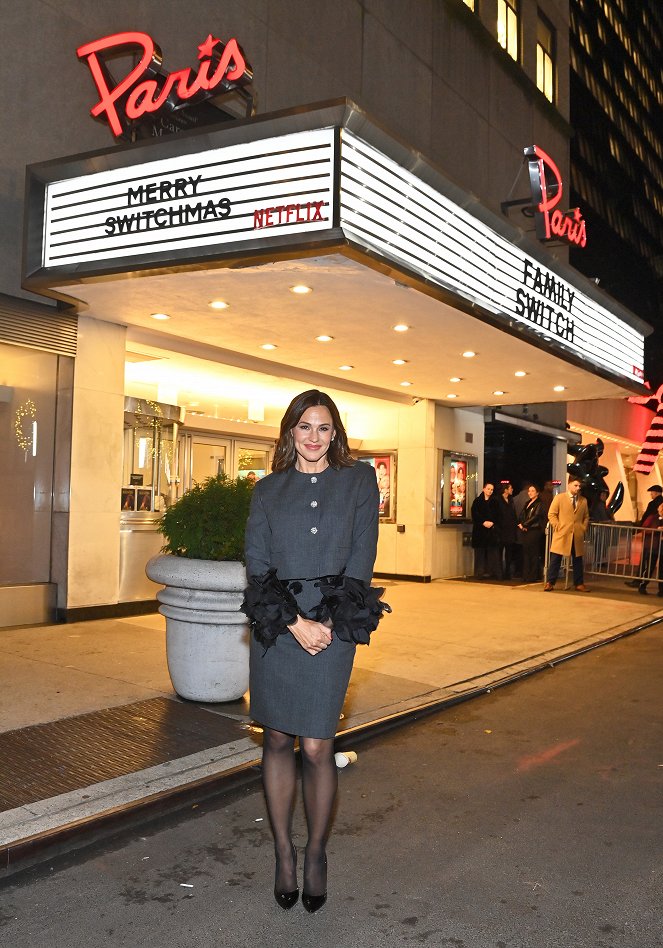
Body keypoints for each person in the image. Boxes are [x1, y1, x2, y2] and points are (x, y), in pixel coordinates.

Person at [241, 390, 390, 913]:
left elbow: (361, 558)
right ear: (289, 433)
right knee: (278, 738)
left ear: (336, 435)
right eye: (304, 427)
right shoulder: (267, 489)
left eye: (323, 428)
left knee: (317, 746)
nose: (313, 437)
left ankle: (317, 852)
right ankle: (283, 851)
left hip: (336, 620)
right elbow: (256, 566)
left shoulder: (357, 482)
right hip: (278, 625)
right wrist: (294, 623)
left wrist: (323, 622)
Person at [544, 477, 590, 591]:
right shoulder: (559, 498)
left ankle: (579, 583)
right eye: (576, 485)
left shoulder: (583, 500)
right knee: (555, 559)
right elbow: (551, 514)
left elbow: (586, 517)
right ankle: (550, 582)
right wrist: (557, 525)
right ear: (569, 485)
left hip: (577, 534)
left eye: (579, 486)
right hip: (562, 533)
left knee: (578, 560)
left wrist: (582, 528)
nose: (578, 488)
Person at [625, 485, 663, 590]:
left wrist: (637, 529)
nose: (651, 494)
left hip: (652, 540)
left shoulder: (653, 505)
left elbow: (645, 520)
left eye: (652, 492)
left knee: (647, 562)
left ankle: (640, 583)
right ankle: (660, 589)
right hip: (657, 540)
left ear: (656, 493)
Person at [471, 482, 500, 578]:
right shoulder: (477, 501)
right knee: (480, 552)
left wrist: (492, 522)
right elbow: (475, 514)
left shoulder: (495, 502)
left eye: (492, 489)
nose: (490, 491)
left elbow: (499, 515)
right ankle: (479, 573)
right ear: (484, 489)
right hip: (480, 531)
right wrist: (483, 522)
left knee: (492, 552)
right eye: (488, 489)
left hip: (491, 531)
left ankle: (493, 572)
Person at [517, 484, 546, 583]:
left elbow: (536, 516)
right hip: (526, 530)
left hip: (534, 530)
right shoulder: (527, 502)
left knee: (533, 553)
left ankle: (533, 576)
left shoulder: (539, 503)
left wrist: (525, 525)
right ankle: (525, 575)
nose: (530, 493)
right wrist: (521, 524)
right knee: (526, 553)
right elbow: (522, 514)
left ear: (537, 492)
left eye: (533, 491)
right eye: (529, 491)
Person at [496, 482, 518, 579]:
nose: (512, 490)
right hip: (501, 530)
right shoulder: (497, 500)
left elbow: (513, 514)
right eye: (510, 488)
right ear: (505, 490)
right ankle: (499, 573)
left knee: (509, 552)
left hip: (510, 530)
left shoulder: (511, 500)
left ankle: (507, 572)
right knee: (499, 552)